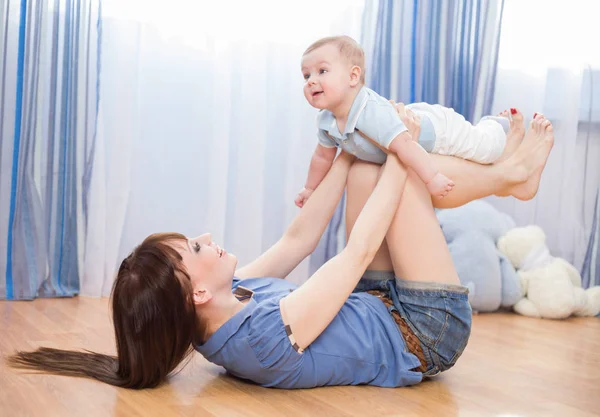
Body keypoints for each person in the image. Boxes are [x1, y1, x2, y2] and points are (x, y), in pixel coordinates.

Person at [7, 104, 554, 389]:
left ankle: (506, 173)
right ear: (197, 290)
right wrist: (399, 143)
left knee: (367, 168)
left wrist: (348, 145)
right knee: (400, 173)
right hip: (426, 333)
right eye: (198, 247)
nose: (210, 239)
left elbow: (300, 237)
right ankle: (511, 176)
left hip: (382, 303)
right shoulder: (265, 339)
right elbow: (356, 251)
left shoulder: (221, 308)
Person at [296, 35, 525, 207]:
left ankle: (495, 125)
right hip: (409, 123)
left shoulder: (368, 112)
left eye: (322, 71)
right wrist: (310, 188)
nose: (311, 81)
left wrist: (432, 178)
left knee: (485, 151)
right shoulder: (326, 120)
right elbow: (322, 156)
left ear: (353, 76)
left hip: (439, 130)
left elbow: (405, 145)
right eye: (307, 75)